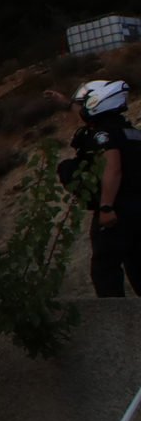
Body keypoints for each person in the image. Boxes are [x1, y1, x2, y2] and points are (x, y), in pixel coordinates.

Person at [55, 78, 139, 298]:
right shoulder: (131, 132)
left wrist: (106, 207)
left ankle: (115, 325)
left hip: (117, 209)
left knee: (105, 269)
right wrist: (66, 102)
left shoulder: (103, 135)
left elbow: (113, 169)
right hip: (137, 208)